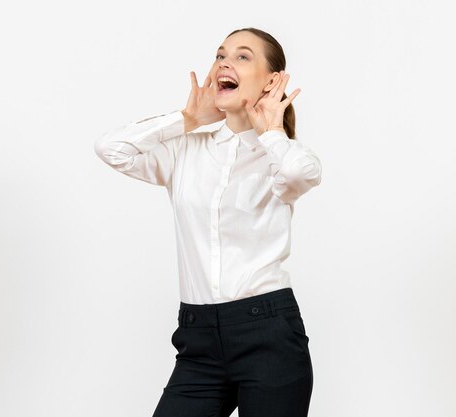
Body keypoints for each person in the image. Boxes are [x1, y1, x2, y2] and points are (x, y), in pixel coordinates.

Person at [94, 27, 322, 417]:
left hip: (268, 335)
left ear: (272, 81)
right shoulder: (187, 151)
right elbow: (111, 149)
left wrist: (271, 132)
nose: (224, 63)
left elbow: (302, 174)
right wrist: (186, 119)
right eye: (220, 55)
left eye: (242, 56)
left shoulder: (279, 156)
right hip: (197, 339)